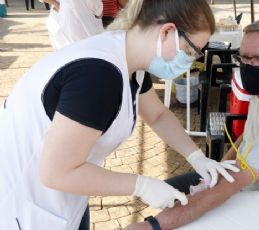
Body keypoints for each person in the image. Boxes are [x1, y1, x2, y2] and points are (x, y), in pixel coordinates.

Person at [0, 1, 239, 229]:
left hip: (64, 196)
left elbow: (156, 115)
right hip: (26, 207)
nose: (189, 62)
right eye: (189, 51)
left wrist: (197, 157)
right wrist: (142, 185)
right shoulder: (98, 76)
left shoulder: (129, 58)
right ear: (166, 31)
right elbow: (57, 172)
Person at [123, 18, 259, 230]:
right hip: (253, 188)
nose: (249, 65)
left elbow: (233, 183)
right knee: (172, 193)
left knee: (181, 217)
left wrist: (152, 226)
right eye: (244, 57)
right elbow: (246, 137)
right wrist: (218, 169)